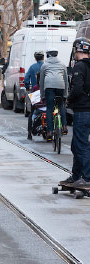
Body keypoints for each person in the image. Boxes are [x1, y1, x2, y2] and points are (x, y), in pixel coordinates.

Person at [63, 38, 90, 187]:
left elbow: (77, 89)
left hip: (83, 110)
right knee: (78, 144)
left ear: (77, 50)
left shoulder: (79, 67)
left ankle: (85, 178)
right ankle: (76, 175)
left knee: (80, 145)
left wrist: (69, 101)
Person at [39, 48, 68, 140]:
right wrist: (65, 95)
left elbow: (42, 82)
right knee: (61, 105)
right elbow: (66, 80)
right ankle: (64, 126)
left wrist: (42, 96)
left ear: (48, 55)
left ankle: (50, 131)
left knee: (50, 108)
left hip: (49, 87)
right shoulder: (62, 65)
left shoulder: (44, 65)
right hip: (60, 86)